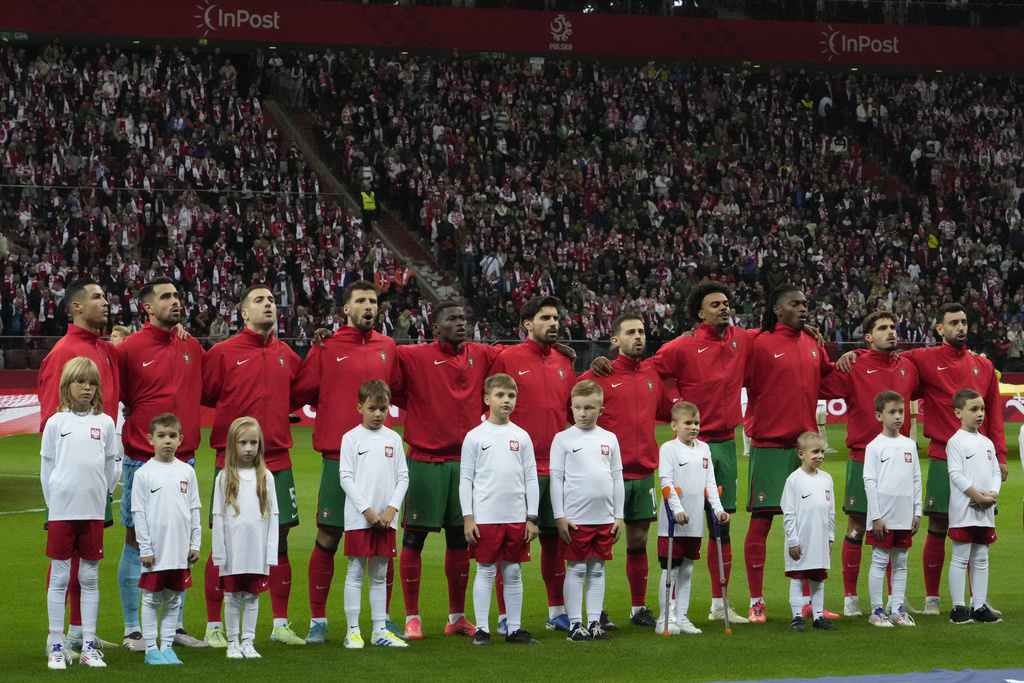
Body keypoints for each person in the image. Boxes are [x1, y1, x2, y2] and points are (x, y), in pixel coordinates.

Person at [840, 302, 1006, 616]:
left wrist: (1000, 456)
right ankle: (928, 598)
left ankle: (977, 601)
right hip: (940, 454)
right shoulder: (923, 358)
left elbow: (994, 414)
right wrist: (857, 355)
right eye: (953, 322)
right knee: (931, 525)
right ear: (939, 329)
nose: (961, 327)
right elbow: (883, 359)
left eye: (964, 321)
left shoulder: (983, 367)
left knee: (976, 527)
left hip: (980, 460)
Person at [292, 281, 401, 644]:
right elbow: (297, 390)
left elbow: (404, 387)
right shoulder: (328, 346)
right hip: (340, 458)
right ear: (346, 310)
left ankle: (382, 623)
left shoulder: (389, 347)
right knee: (328, 536)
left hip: (382, 461)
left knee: (382, 537)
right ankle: (318, 621)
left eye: (373, 301)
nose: (369, 306)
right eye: (361, 301)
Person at [202, 285, 305, 647]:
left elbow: (303, 389)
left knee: (279, 542)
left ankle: (279, 624)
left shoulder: (286, 354)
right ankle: (214, 625)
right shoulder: (222, 353)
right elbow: (204, 392)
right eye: (260, 300)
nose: (269, 305)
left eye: (273, 300)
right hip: (230, 464)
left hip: (276, 461)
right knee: (223, 542)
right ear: (243, 313)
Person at [648, 281, 756, 624]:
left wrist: (809, 330)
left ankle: (718, 604)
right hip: (692, 447)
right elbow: (649, 371)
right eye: (715, 304)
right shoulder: (682, 346)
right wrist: (673, 412)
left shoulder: (742, 339)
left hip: (725, 444)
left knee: (720, 526)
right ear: (700, 313)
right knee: (682, 528)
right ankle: (672, 611)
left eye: (726, 302)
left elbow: (774, 330)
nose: (724, 307)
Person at [393, 303, 500, 640]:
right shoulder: (413, 355)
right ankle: (413, 617)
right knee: (414, 537)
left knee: (459, 539)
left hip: (467, 464)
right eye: (452, 319)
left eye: (463, 319)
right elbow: (394, 382)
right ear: (435, 327)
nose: (460, 324)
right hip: (426, 461)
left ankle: (456, 616)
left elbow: (519, 356)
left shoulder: (480, 354)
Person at [116, 277, 206, 650]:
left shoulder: (192, 346)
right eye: (166, 297)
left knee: (180, 540)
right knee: (137, 541)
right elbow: (118, 397)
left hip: (185, 462)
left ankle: (175, 626)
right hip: (141, 461)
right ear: (148, 307)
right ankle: (133, 629)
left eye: (177, 295)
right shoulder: (129, 349)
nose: (175, 301)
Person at [37, 279, 121, 654]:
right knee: (64, 561)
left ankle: (78, 632)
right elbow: (52, 424)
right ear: (75, 307)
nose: (106, 302)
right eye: (97, 297)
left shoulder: (104, 349)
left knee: (85, 562)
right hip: (70, 480)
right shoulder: (65, 352)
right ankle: (61, 636)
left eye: (106, 296)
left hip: (97, 472)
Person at [819, 311, 920, 618]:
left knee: (897, 527)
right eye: (882, 328)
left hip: (900, 461)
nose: (891, 332)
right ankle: (851, 597)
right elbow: (820, 382)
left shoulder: (908, 368)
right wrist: (840, 356)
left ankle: (895, 599)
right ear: (867, 337)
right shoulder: (855, 366)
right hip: (864, 458)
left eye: (893, 327)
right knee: (857, 525)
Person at [744, 285, 834, 623]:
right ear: (776, 310)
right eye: (794, 304)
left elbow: (828, 379)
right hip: (769, 447)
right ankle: (757, 601)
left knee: (813, 526)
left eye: (805, 303)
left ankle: (810, 603)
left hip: (805, 450)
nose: (803, 308)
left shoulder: (812, 343)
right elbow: (734, 342)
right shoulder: (757, 343)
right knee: (762, 523)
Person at [579, 314, 672, 629]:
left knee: (638, 541)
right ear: (615, 340)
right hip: (605, 475)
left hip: (643, 472)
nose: (638, 337)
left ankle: (637, 608)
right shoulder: (596, 377)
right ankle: (597, 612)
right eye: (630, 332)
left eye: (642, 331)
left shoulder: (651, 375)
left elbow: (665, 411)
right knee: (600, 543)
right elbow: (572, 410)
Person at [487, 296, 574, 631]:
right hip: (515, 469)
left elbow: (571, 411)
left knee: (556, 543)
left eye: (556, 318)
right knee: (510, 546)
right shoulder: (507, 358)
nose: (554, 323)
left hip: (555, 469)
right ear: (527, 324)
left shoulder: (564, 361)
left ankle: (557, 613)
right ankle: (507, 618)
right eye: (545, 318)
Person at [460, 374, 541, 646]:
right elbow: (466, 480)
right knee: (484, 571)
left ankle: (514, 629)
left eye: (511, 396)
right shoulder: (474, 437)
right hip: (485, 518)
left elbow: (531, 477)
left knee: (513, 572)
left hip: (517, 517)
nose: (506, 400)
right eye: (500, 395)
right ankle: (482, 630)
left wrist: (532, 517)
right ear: (486, 399)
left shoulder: (522, 436)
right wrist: (468, 517)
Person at [550, 380, 624, 642]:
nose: (582, 413)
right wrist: (560, 515)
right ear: (570, 407)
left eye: (589, 408)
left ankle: (594, 622)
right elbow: (556, 479)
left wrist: (618, 516)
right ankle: (575, 624)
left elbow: (617, 478)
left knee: (598, 569)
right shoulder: (562, 439)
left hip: (604, 517)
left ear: (601, 410)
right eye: (577, 408)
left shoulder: (609, 439)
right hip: (576, 519)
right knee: (577, 569)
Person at [339, 380, 410, 649]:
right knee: (356, 572)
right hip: (360, 518)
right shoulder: (351, 438)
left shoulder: (394, 438)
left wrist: (391, 509)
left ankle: (379, 630)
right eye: (372, 408)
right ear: (360, 408)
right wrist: (367, 511)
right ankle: (353, 631)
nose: (378, 414)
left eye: (383, 408)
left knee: (380, 573)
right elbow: (345, 477)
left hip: (386, 520)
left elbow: (403, 477)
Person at [132, 413, 202, 665]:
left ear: (181, 439)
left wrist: (195, 544)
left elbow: (194, 509)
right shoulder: (144, 474)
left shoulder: (186, 472)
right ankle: (151, 648)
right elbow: (138, 515)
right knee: (151, 598)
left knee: (174, 599)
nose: (167, 441)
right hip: (156, 551)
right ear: (151, 439)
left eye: (172, 436)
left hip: (180, 550)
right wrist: (145, 548)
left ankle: (167, 647)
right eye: (161, 436)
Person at [656, 401, 728, 636]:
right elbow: (666, 482)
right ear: (674, 425)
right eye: (688, 423)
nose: (694, 427)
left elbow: (709, 484)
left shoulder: (704, 449)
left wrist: (718, 510)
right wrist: (676, 510)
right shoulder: (669, 448)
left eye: (697, 423)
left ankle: (683, 616)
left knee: (687, 570)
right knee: (671, 570)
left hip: (695, 521)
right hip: (673, 521)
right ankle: (665, 617)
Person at [212, 417, 280, 659]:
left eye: (254, 442)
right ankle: (232, 643)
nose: (249, 448)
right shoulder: (224, 478)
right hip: (233, 552)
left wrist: (270, 553)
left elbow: (273, 517)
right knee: (232, 598)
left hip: (257, 552)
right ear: (233, 444)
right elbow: (217, 517)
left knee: (252, 597)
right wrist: (220, 553)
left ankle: (248, 642)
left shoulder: (266, 477)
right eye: (243, 443)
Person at [863, 391, 921, 627]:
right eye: (892, 412)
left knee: (901, 562)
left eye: (901, 412)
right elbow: (869, 481)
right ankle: (877, 610)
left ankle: (896, 608)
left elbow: (916, 479)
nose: (898, 417)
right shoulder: (874, 446)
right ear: (879, 415)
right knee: (879, 560)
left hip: (905, 515)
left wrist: (917, 511)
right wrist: (876, 516)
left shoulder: (909, 445)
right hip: (883, 517)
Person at [945, 388, 1002, 624]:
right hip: (965, 509)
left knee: (981, 557)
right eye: (974, 409)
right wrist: (978, 496)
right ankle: (958, 608)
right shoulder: (955, 442)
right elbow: (956, 475)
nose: (980, 414)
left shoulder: (987, 442)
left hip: (985, 510)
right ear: (959, 412)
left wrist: (993, 494)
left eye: (982, 409)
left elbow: (996, 471)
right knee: (960, 557)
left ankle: (979, 606)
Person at [781, 432, 836, 632]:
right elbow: (788, 513)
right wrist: (793, 540)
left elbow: (831, 511)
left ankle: (818, 617)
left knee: (818, 579)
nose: (820, 455)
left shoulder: (827, 479)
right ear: (801, 454)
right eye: (815, 452)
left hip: (820, 540)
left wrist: (830, 537)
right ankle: (797, 617)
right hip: (802, 540)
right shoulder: (794, 480)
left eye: (822, 451)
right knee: (798, 578)